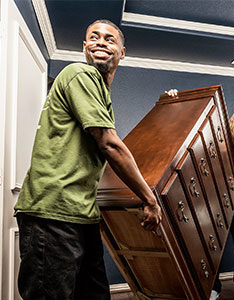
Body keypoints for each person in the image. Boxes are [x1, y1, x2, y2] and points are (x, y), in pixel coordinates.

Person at [14, 20, 162, 300]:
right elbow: (110, 145)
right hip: (52, 212)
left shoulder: (100, 92)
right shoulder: (79, 74)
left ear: (122, 51)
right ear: (84, 47)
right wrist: (149, 199)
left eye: (110, 38)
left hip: (82, 215)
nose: (101, 42)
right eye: (94, 37)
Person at [166, 90, 234, 300]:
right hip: (212, 201)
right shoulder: (218, 135)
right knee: (211, 245)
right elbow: (188, 127)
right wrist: (175, 101)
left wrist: (231, 195)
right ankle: (214, 287)